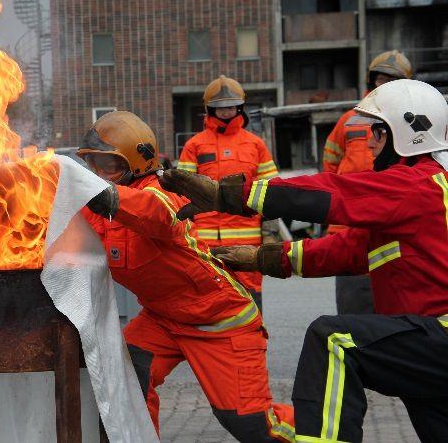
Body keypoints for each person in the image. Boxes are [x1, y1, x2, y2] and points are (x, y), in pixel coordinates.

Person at [160, 79, 448, 442]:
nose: (369, 141)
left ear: (408, 133)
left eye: (378, 130)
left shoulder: (414, 185)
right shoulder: (419, 192)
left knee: (334, 341)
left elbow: (333, 192)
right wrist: (264, 258)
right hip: (428, 339)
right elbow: (345, 251)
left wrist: (230, 195)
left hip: (437, 335)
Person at [78, 111, 294, 442]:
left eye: (108, 165)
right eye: (93, 163)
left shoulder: (161, 193)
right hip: (163, 319)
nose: (98, 174)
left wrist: (106, 196)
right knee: (125, 380)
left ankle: (325, 430)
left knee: (251, 427)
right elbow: (67, 229)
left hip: (219, 320)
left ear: (137, 162)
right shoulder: (102, 207)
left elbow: (158, 214)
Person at [322, 50, 413, 315]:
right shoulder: (349, 121)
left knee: (396, 314)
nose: (383, 85)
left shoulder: (412, 120)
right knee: (353, 314)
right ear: (371, 82)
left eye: (391, 80)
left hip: (393, 225)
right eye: (380, 79)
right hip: (349, 225)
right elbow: (331, 165)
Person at [178, 75, 278, 311]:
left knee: (250, 306)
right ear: (209, 109)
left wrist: (271, 233)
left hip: (248, 246)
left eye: (230, 107)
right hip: (205, 245)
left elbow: (273, 192)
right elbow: (181, 194)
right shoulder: (195, 145)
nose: (225, 112)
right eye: (220, 108)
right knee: (211, 307)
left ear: (240, 107)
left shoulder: (255, 145)